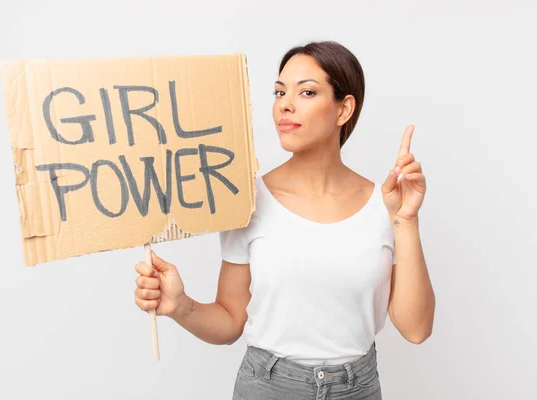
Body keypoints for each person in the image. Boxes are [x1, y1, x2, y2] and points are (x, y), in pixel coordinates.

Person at [134, 41, 435, 400]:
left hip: (357, 389)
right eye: (279, 92)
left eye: (306, 91)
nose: (285, 105)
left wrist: (406, 220)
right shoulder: (247, 202)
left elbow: (416, 329)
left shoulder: (385, 205)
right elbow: (230, 321)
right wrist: (179, 305)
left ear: (344, 109)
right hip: (268, 387)